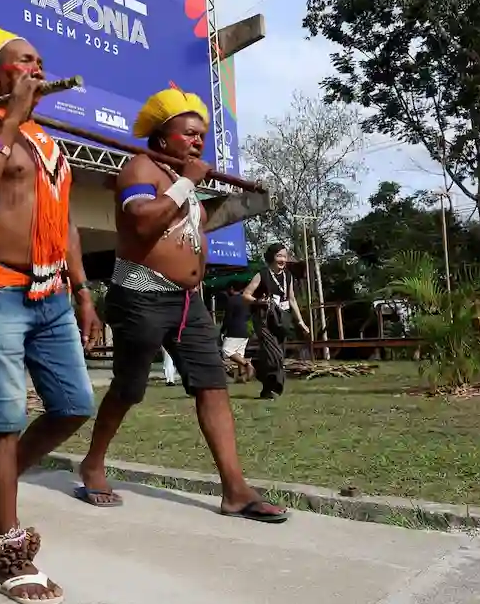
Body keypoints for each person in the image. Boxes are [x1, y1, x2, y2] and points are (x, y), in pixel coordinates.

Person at [76, 87, 287, 524]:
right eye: (188, 133)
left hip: (188, 302)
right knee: (129, 388)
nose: (197, 141)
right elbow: (142, 220)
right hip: (140, 295)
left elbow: (198, 222)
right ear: (161, 137)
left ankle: (235, 490)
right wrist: (188, 180)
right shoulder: (139, 168)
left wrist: (250, 202)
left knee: (212, 385)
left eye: (201, 136)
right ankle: (93, 464)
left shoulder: (181, 185)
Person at [0, 21, 101, 604]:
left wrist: (83, 291)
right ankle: (10, 550)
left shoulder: (48, 140)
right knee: (6, 419)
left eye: (40, 60)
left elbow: (65, 223)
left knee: (74, 405)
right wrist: (10, 118)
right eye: (24, 61)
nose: (37, 68)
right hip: (1, 293)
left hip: (54, 294)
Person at [243, 243, 310, 399]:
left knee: (272, 356)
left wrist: (301, 322)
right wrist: (259, 301)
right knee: (276, 355)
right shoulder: (262, 275)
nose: (283, 260)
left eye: (285, 256)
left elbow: (292, 299)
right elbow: (245, 295)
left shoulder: (288, 276)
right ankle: (275, 386)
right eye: (279, 256)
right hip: (264, 320)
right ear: (272, 257)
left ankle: (264, 382)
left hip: (281, 320)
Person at [220, 290, 253, 383]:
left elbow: (228, 317)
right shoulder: (247, 299)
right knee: (239, 354)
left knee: (227, 350)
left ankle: (247, 365)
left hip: (234, 330)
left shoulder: (232, 300)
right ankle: (241, 376)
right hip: (245, 329)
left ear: (231, 289)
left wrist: (223, 329)